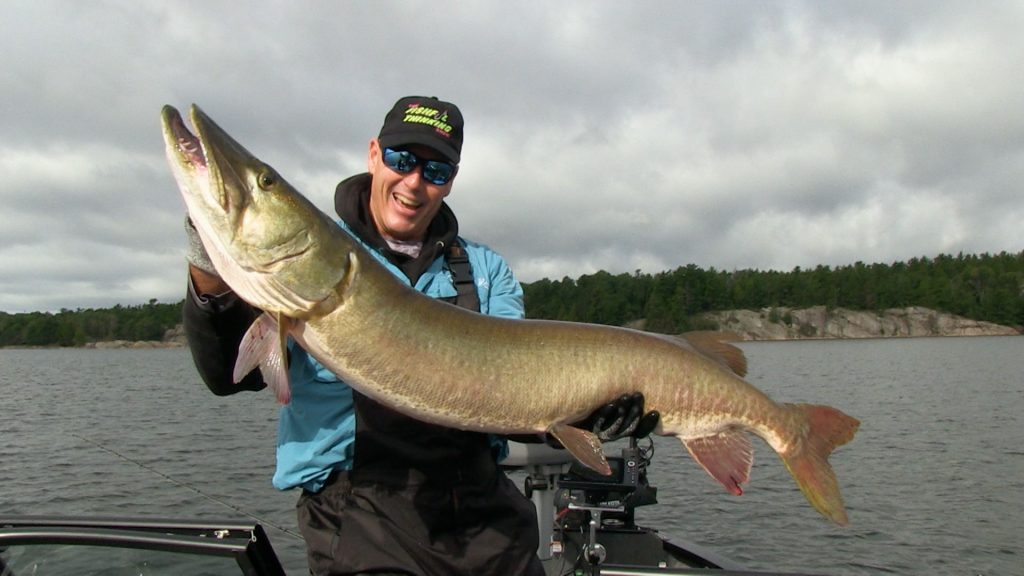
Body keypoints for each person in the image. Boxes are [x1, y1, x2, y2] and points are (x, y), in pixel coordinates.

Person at [182, 95, 658, 576]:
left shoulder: (486, 272)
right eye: (402, 160)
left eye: (435, 171)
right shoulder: (309, 261)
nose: (413, 183)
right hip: (360, 516)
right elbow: (227, 374)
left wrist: (592, 411)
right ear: (374, 155)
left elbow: (515, 401)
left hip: (481, 511)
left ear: (450, 181)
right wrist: (208, 260)